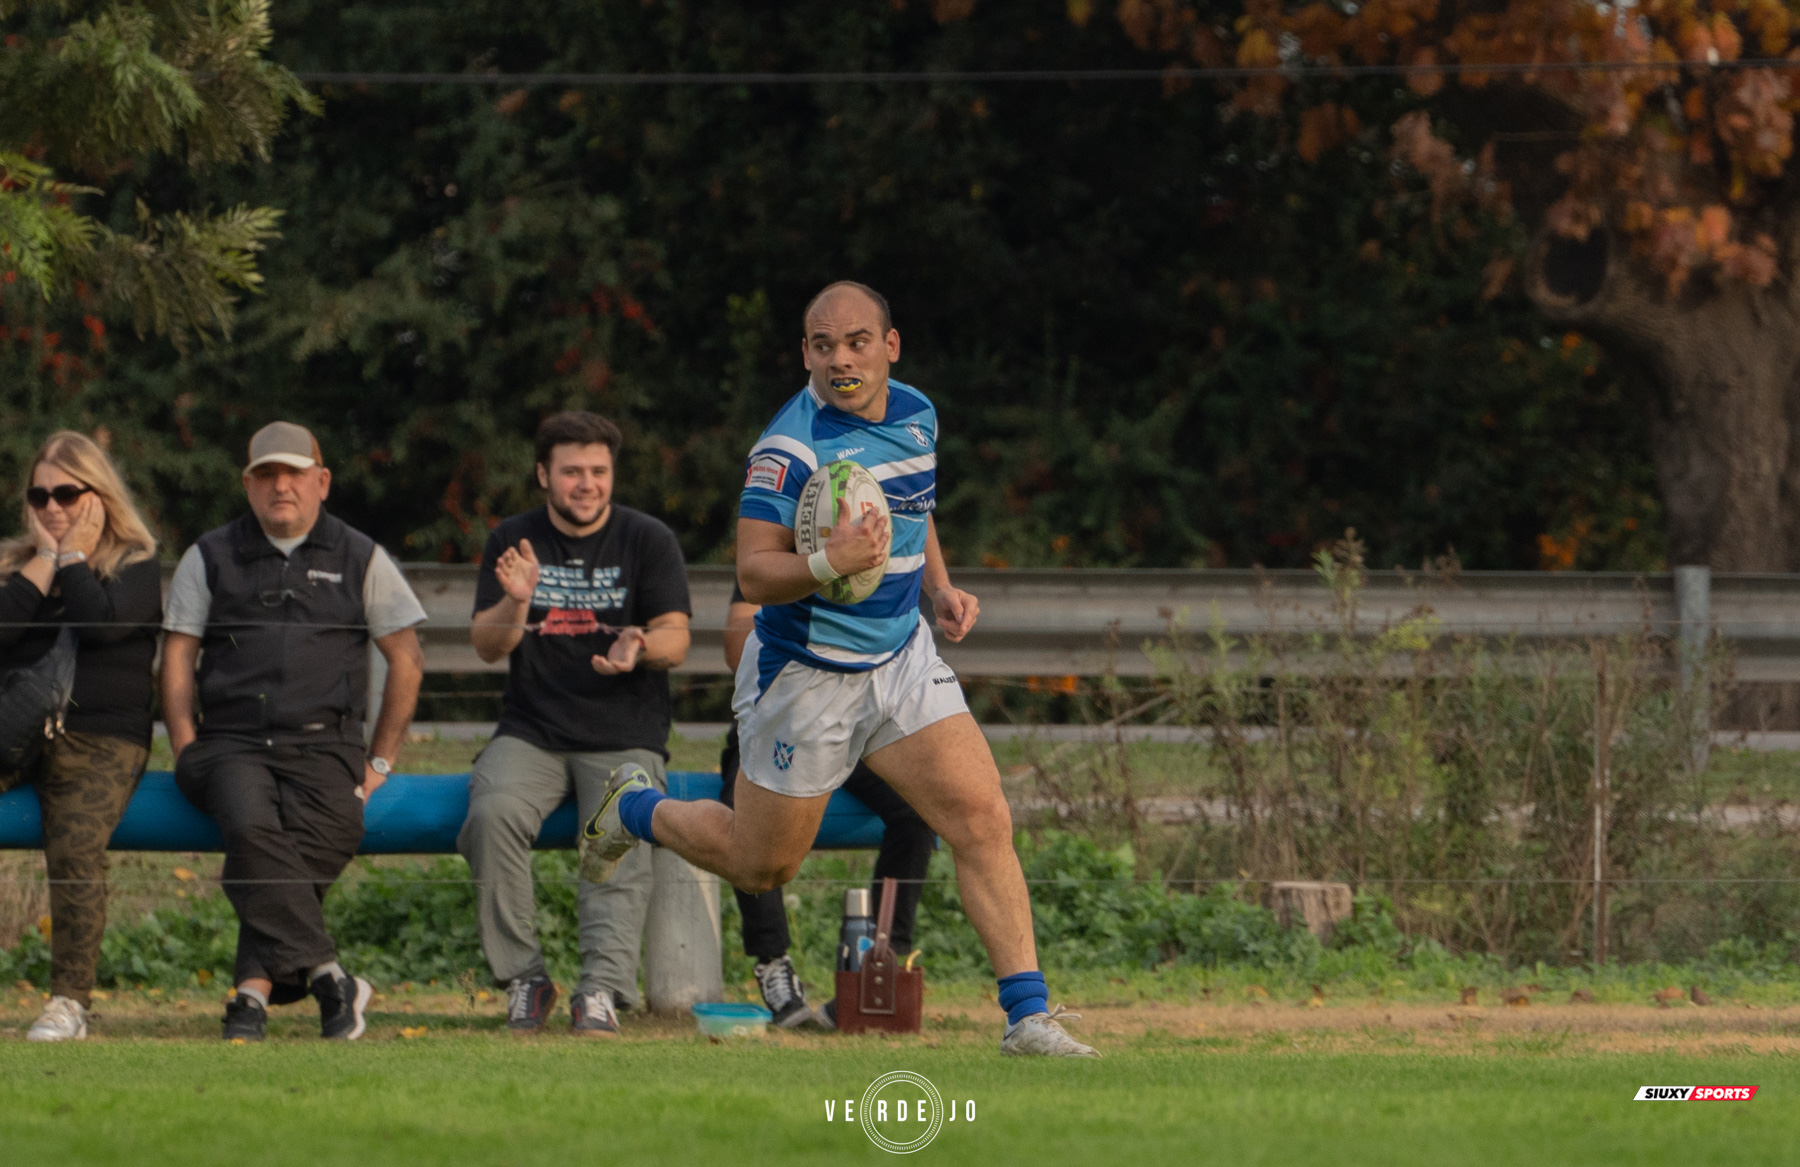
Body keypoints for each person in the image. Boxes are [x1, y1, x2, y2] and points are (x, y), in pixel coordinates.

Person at [582, 281, 1097, 1056]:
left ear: (891, 346)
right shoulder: (787, 447)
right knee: (763, 866)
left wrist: (939, 586)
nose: (840, 359)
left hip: (898, 657)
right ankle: (634, 810)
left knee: (982, 816)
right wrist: (829, 560)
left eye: (857, 341)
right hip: (805, 675)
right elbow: (754, 574)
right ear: (805, 355)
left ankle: (1027, 1016)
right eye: (823, 346)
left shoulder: (917, 412)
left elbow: (913, 507)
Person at [162, 421, 426, 1042]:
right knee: (253, 828)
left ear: (322, 482)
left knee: (296, 850)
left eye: (294, 474)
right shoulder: (209, 555)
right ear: (248, 486)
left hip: (327, 746)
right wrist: (183, 742)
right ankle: (330, 975)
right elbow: (175, 655)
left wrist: (380, 762)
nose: (281, 486)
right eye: (266, 475)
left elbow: (408, 660)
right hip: (231, 744)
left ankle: (252, 996)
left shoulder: (362, 555)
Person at [459, 411, 692, 1036]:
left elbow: (678, 637)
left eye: (598, 471)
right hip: (532, 732)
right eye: (571, 472)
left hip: (625, 732)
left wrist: (640, 647)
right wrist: (518, 598)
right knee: (490, 815)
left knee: (616, 832)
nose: (586, 484)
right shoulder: (514, 538)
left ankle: (601, 989)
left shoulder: (647, 539)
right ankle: (525, 978)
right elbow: (487, 645)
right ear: (543, 475)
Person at [0, 432, 162, 1042]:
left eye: (67, 492)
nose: (51, 506)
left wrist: (73, 559)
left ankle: (69, 1001)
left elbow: (97, 627)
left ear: (100, 497)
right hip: (14, 733)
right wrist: (43, 558)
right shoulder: (15, 563)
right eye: (39, 494)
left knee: (74, 844)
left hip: (99, 739)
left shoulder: (137, 564)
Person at [718, 586, 936, 1029]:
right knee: (747, 818)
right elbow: (735, 648)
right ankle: (772, 962)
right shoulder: (784, 542)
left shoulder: (895, 557)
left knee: (918, 809)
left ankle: (882, 962)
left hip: (863, 727)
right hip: (781, 717)